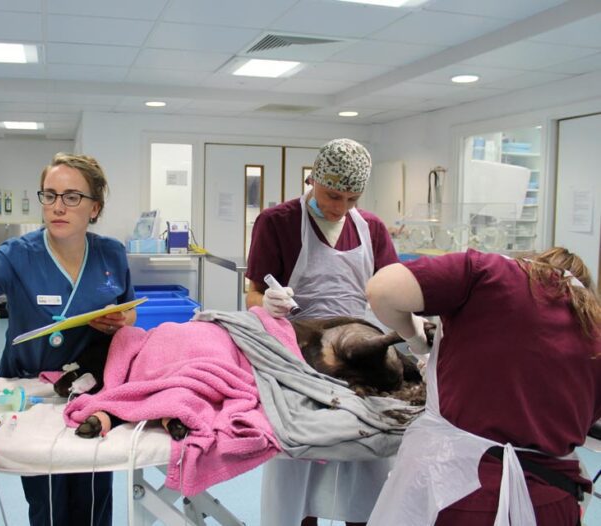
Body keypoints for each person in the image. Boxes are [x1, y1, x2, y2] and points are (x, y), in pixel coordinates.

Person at [365, 247, 601, 525]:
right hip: (552, 503)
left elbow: (382, 290)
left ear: (534, 264)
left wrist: (416, 339)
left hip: (464, 492)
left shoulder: (492, 272)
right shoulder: (593, 326)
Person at [245, 138, 399, 526]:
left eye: (351, 199)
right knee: (300, 466)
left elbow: (390, 290)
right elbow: (253, 294)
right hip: (298, 361)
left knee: (365, 462)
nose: (340, 208)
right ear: (313, 179)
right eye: (332, 195)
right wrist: (268, 305)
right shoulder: (277, 222)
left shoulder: (372, 228)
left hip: (359, 360)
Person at [0, 153, 136, 526]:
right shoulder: (16, 256)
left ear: (95, 207)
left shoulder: (111, 253)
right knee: (47, 503)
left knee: (93, 498)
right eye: (50, 195)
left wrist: (121, 320)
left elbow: (130, 309)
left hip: (90, 390)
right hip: (31, 393)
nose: (58, 206)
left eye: (72, 197)